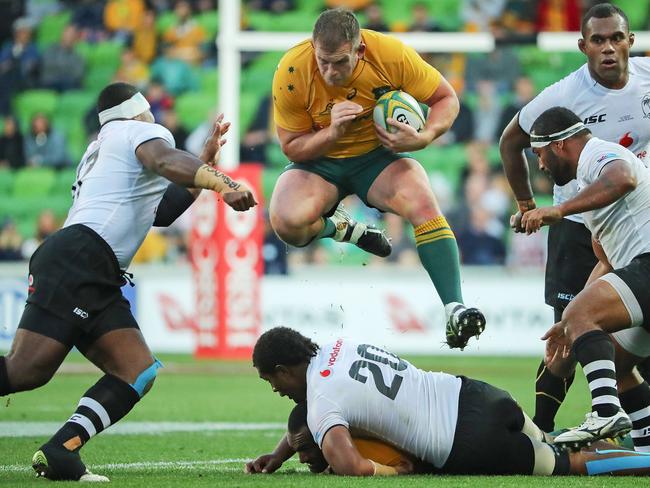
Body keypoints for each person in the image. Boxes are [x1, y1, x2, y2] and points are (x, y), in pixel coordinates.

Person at [0, 81, 256, 481]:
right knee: (25, 371)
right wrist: (221, 183)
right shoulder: (138, 130)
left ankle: (61, 449)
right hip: (82, 260)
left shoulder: (103, 146)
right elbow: (165, 160)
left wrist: (204, 162)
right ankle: (60, 449)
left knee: (136, 368)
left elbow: (164, 210)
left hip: (87, 263)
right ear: (138, 110)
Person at [270, 8, 485, 349]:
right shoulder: (293, 69)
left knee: (422, 200)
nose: (329, 70)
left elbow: (446, 99)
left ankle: (454, 308)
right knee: (286, 221)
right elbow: (291, 147)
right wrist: (332, 133)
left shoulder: (391, 55)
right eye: (323, 60)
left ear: (360, 50)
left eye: (339, 61)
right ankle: (343, 229)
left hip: (377, 158)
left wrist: (425, 136)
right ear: (313, 47)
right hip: (319, 162)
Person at [499, 2, 650, 434]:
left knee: (612, 334)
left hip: (630, 217)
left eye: (616, 38)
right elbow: (511, 141)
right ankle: (541, 431)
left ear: (630, 42)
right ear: (582, 46)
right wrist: (529, 205)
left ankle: (612, 419)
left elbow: (621, 176)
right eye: (598, 40)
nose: (608, 48)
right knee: (567, 335)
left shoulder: (646, 79)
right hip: (583, 227)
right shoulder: (564, 96)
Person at [246, 326, 650, 476]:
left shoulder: (320, 398)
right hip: (475, 393)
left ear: (284, 369)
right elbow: (313, 413)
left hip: (464, 440)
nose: (276, 390)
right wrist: (279, 455)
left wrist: (395, 472)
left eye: (271, 381)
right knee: (549, 439)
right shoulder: (337, 345)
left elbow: (346, 464)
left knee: (564, 464)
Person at [520, 106, 650, 447]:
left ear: (559, 144)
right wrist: (571, 323)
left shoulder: (598, 154)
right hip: (639, 272)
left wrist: (559, 210)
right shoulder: (590, 189)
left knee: (578, 315)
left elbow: (624, 177)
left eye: (539, 154)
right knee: (618, 366)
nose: (541, 165)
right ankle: (647, 446)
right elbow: (605, 260)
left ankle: (606, 413)